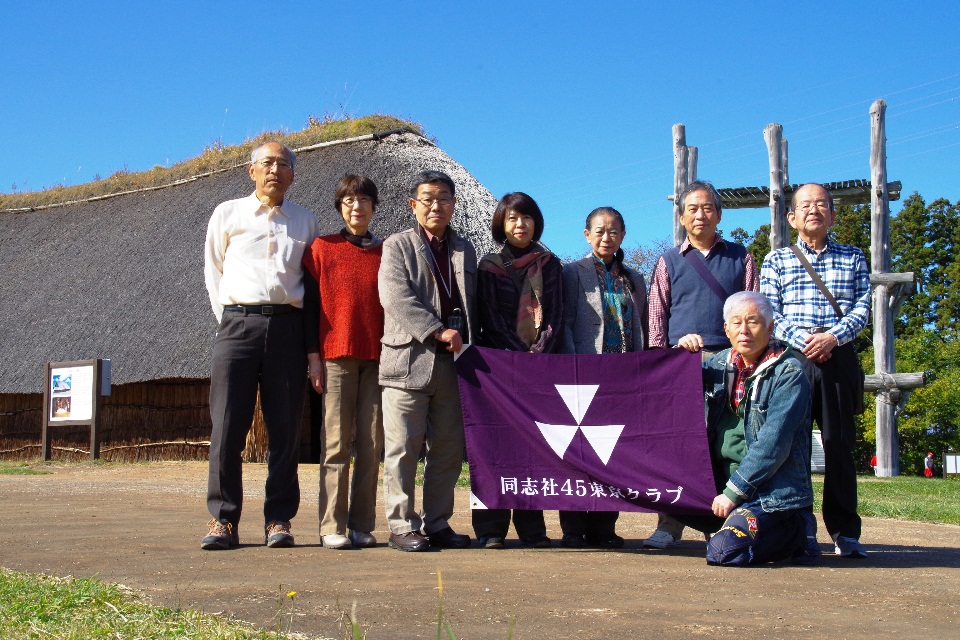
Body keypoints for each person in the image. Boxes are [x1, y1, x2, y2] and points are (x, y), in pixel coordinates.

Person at [201, 141, 319, 550]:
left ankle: (278, 519)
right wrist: (233, 320)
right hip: (237, 326)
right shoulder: (227, 213)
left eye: (283, 165)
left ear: (292, 174)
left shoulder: (305, 221)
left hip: (287, 328)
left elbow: (310, 282)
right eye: (267, 163)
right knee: (227, 427)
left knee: (285, 429)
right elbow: (213, 272)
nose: (275, 170)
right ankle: (223, 519)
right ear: (251, 171)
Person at [643, 180, 760, 550]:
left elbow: (754, 309)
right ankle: (669, 525)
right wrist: (666, 357)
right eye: (692, 208)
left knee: (728, 443)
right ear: (681, 216)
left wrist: (749, 357)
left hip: (733, 364)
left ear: (719, 214)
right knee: (678, 446)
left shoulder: (741, 257)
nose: (700, 214)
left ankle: (722, 523)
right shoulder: (668, 261)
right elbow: (657, 317)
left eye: (707, 207)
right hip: (682, 366)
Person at [760, 182, 871, 559]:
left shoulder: (854, 257)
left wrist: (832, 338)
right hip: (793, 358)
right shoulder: (776, 259)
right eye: (805, 205)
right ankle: (800, 528)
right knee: (794, 447)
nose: (814, 210)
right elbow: (769, 312)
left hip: (837, 356)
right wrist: (805, 340)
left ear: (832, 215)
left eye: (822, 204)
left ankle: (845, 532)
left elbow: (863, 307)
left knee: (839, 444)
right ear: (791, 217)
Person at [679, 291, 817, 566]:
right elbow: (667, 395)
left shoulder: (789, 373)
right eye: (737, 322)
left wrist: (733, 494)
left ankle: (798, 528)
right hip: (717, 486)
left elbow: (772, 445)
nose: (744, 330)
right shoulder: (715, 365)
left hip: (768, 493)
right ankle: (739, 526)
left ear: (770, 327)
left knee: (724, 552)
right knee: (665, 495)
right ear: (726, 329)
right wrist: (679, 357)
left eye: (753, 322)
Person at [378, 170, 478, 552]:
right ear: (413, 204)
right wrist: (437, 330)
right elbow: (395, 298)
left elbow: (474, 305)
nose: (436, 205)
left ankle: (437, 523)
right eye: (428, 198)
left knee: (448, 449)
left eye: (444, 198)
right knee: (403, 448)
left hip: (455, 363)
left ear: (454, 203)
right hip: (408, 361)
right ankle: (402, 525)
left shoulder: (464, 249)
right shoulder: (397, 245)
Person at [471, 192, 563, 550]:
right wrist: (512, 355)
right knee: (491, 447)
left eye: (525, 218)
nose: (519, 225)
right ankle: (490, 528)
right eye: (512, 219)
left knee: (534, 448)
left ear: (535, 222)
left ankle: (533, 529)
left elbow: (555, 316)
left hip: (538, 369)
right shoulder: (489, 265)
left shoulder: (550, 264)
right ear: (501, 224)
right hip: (496, 368)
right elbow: (489, 318)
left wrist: (536, 356)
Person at [301, 174, 384, 550]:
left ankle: (362, 524)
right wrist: (313, 359)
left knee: (370, 443)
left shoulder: (387, 251)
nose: (357, 207)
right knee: (336, 444)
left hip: (380, 357)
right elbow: (309, 309)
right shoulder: (322, 248)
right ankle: (331, 525)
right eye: (349, 201)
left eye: (364, 200)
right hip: (335, 355)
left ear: (373, 207)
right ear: (340, 207)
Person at [560, 206, 647, 548]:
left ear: (623, 235)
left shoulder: (634, 279)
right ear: (586, 234)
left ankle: (603, 527)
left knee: (612, 453)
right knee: (578, 453)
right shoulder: (572, 273)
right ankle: (573, 529)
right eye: (599, 231)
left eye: (613, 231)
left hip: (621, 377)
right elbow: (564, 322)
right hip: (583, 373)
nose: (605, 237)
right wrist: (570, 367)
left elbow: (639, 328)